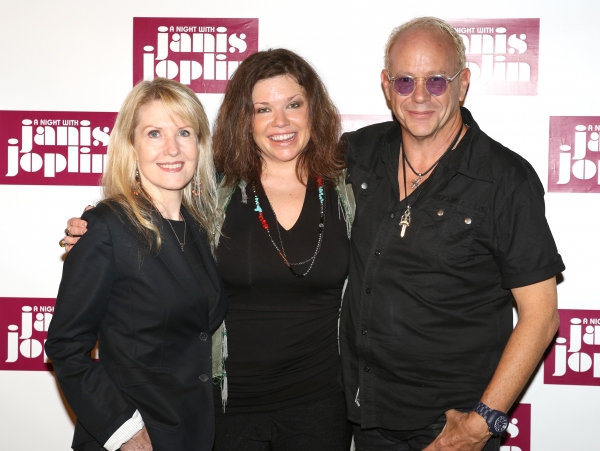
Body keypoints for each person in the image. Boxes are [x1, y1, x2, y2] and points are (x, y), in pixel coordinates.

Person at [60, 49, 354, 451]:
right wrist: (92, 229)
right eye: (263, 108)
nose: (280, 121)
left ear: (313, 109)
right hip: (224, 410)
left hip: (317, 407)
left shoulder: (351, 188)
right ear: (243, 120)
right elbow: (71, 340)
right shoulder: (216, 192)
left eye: (293, 105)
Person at [339, 17, 564, 451]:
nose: (419, 96)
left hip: (451, 428)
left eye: (436, 81)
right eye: (405, 81)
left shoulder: (504, 178)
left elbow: (541, 315)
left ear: (463, 84)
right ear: (386, 86)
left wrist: (482, 423)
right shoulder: (358, 154)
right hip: (367, 418)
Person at [47, 78, 227, 451]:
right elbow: (65, 346)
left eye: (184, 132)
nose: (172, 148)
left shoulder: (198, 226)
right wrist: (123, 430)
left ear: (200, 143)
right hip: (138, 435)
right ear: (132, 145)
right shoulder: (106, 227)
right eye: (154, 133)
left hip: (193, 432)